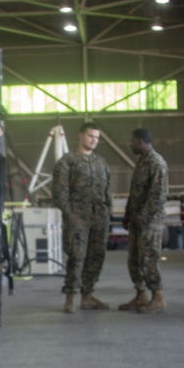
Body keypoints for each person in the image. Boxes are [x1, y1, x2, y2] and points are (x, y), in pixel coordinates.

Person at [53, 122, 112, 313]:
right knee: (77, 257)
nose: (94, 140)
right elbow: (60, 193)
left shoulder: (100, 162)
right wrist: (70, 216)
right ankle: (71, 297)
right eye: (90, 136)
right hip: (77, 218)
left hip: (99, 219)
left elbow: (107, 190)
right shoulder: (67, 162)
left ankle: (87, 296)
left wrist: (108, 212)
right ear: (80, 136)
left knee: (96, 257)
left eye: (96, 137)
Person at [119, 128, 169, 314]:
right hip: (137, 222)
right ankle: (141, 295)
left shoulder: (157, 163)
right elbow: (135, 194)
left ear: (141, 141)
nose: (130, 144)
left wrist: (143, 215)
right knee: (134, 259)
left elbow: (158, 195)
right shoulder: (142, 163)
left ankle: (158, 297)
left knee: (149, 259)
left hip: (150, 223)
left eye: (132, 141)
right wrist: (128, 215)